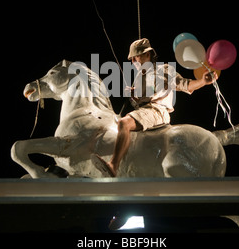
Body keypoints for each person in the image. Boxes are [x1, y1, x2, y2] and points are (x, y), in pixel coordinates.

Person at [91, 38, 217, 177]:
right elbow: (140, 101)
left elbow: (185, 85)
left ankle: (113, 165)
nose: (133, 61)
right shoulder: (138, 77)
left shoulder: (164, 70)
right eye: (131, 59)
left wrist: (202, 81)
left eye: (136, 56)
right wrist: (133, 94)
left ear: (148, 55)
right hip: (143, 111)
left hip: (157, 111)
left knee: (124, 123)